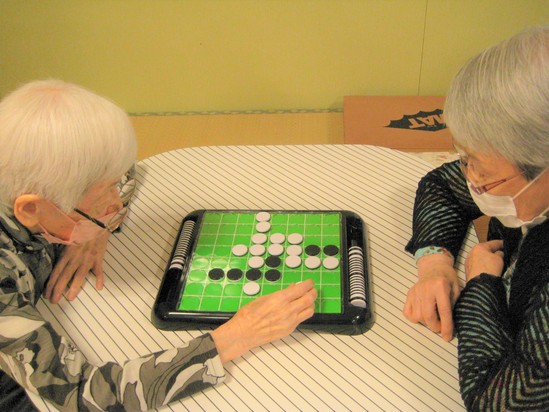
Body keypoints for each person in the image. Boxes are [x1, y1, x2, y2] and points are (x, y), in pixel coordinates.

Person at [0, 80, 317, 411]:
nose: (116, 204)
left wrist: (93, 228)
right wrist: (239, 335)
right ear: (32, 209)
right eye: (100, 199)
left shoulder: (39, 179)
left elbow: (127, 172)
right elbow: (84, 398)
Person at [403, 25, 548, 410]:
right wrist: (434, 265)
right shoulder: (522, 171)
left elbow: (496, 400)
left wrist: (482, 284)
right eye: (465, 158)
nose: (471, 178)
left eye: (481, 168)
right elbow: (442, 185)